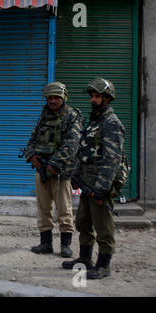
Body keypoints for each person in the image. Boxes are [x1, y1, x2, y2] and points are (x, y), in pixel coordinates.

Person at [62, 78, 125, 279]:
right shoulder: (95, 121)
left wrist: (101, 188)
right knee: (83, 222)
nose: (93, 99)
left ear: (107, 98)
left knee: (103, 227)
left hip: (99, 186)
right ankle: (85, 259)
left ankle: (103, 266)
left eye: (97, 96)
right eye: (92, 96)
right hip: (87, 183)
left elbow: (112, 159)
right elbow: (85, 151)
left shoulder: (111, 123)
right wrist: (75, 175)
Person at [24, 82, 84, 258]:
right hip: (42, 169)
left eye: (56, 97)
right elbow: (33, 138)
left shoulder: (72, 116)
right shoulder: (44, 115)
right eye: (50, 98)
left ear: (63, 98)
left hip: (60, 172)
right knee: (43, 209)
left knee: (64, 210)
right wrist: (31, 156)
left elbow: (72, 144)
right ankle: (45, 244)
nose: (52, 101)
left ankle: (65, 246)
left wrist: (54, 163)